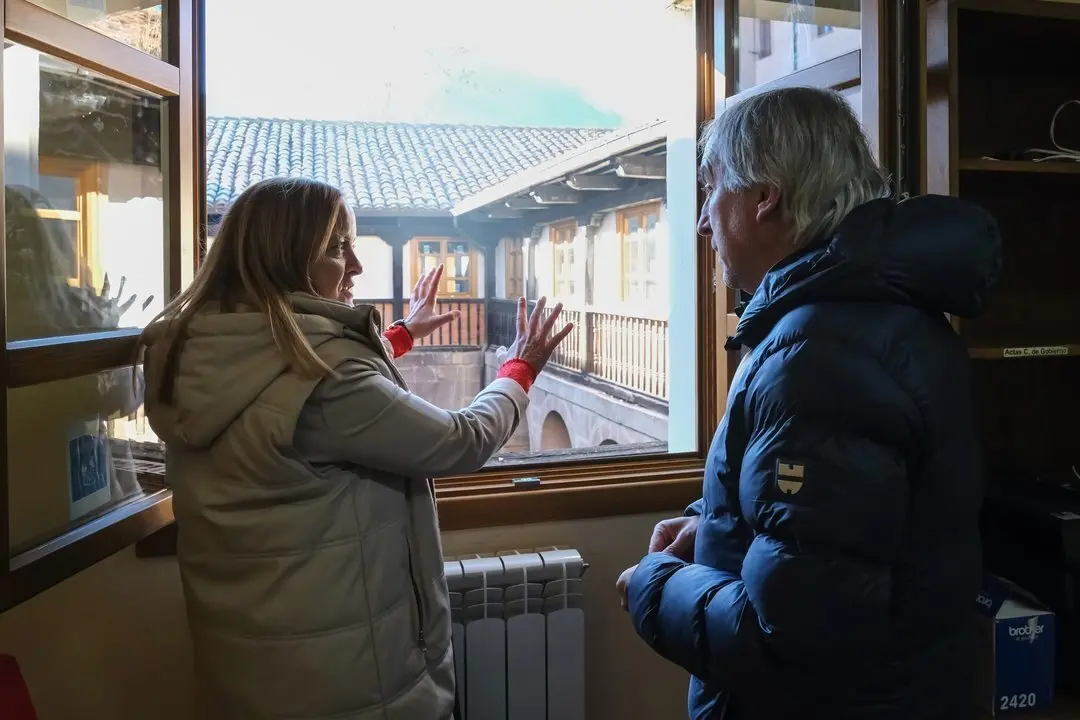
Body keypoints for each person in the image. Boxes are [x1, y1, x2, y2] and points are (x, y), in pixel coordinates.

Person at [616, 86, 1002, 719]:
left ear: (764, 197)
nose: (704, 221)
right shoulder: (868, 321)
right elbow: (839, 541)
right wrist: (719, 527)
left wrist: (653, 587)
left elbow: (790, 638)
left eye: (712, 190)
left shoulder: (820, 354)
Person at [137, 177, 572, 720]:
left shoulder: (201, 349)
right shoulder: (329, 382)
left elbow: (290, 385)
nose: (357, 267)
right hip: (346, 682)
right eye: (338, 248)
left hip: (251, 666)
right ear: (286, 258)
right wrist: (519, 369)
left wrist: (401, 336)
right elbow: (459, 441)